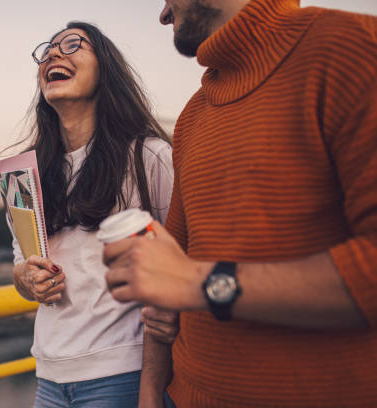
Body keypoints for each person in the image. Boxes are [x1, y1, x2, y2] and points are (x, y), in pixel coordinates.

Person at [103, 0, 377, 407]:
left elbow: (186, 278)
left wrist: (203, 284)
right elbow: (167, 276)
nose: (163, 14)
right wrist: (149, 393)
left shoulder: (351, 48)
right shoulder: (194, 114)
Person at [8, 21, 176, 408]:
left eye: (72, 45)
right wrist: (26, 279)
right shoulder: (22, 176)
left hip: (123, 374)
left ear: (106, 69)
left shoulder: (149, 157)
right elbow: (21, 268)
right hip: (48, 378)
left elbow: (181, 266)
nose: (53, 54)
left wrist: (151, 389)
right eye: (47, 49)